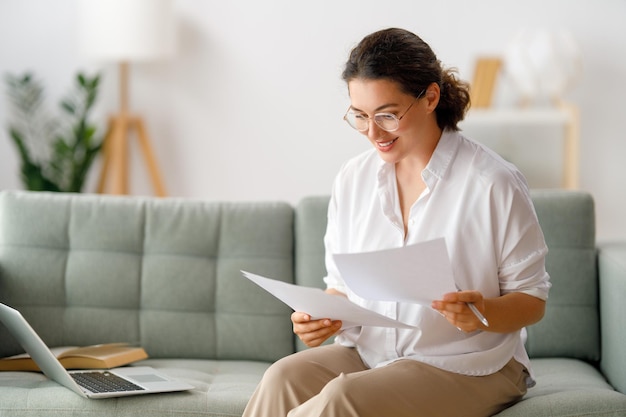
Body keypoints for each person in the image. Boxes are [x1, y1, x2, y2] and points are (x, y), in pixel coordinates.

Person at [242, 27, 551, 417]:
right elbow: (341, 288)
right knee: (282, 377)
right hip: (373, 355)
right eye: (360, 116)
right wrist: (324, 316)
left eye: (387, 115)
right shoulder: (353, 180)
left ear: (430, 98)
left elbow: (533, 300)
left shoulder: (493, 183)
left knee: (344, 399)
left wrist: (481, 312)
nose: (373, 133)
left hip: (471, 364)